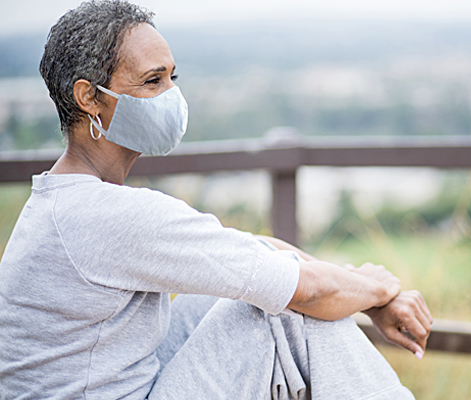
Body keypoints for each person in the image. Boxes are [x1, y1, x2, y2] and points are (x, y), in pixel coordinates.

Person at [0, 1, 433, 399]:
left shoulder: (66, 202)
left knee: (263, 278)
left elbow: (258, 252)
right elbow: (306, 290)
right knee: (277, 311)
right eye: (152, 81)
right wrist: (380, 291)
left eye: (173, 77)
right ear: (90, 98)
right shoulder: (106, 215)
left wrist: (359, 288)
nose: (170, 94)